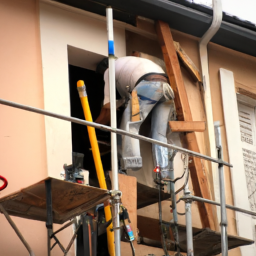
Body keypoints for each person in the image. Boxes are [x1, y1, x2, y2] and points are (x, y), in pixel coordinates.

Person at [96, 56, 176, 178]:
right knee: (159, 134)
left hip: (148, 85)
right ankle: (164, 173)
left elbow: (108, 105)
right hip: (166, 88)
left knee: (130, 125)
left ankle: (130, 165)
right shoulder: (129, 63)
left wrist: (94, 125)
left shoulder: (109, 69)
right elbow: (128, 99)